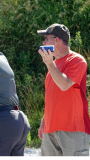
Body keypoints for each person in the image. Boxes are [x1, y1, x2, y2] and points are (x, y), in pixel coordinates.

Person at [37, 23, 90, 156]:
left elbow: (64, 85)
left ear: (56, 40)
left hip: (73, 129)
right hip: (50, 130)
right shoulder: (53, 66)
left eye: (46, 38)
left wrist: (49, 63)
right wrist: (44, 122)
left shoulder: (77, 60)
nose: (43, 42)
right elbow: (52, 97)